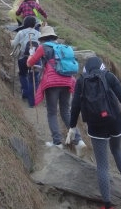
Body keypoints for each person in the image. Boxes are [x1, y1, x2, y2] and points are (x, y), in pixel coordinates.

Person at [68, 56, 121, 209]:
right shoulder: (109, 76)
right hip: (115, 121)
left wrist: (72, 127)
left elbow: (76, 105)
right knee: (117, 150)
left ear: (86, 69)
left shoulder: (81, 81)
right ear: (101, 66)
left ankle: (108, 205)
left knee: (102, 165)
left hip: (96, 125)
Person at [27, 26, 86, 154]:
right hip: (67, 81)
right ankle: (79, 140)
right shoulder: (62, 48)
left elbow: (29, 63)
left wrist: (31, 54)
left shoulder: (43, 47)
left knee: (52, 112)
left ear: (42, 38)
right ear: (53, 37)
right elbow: (51, 65)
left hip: (52, 83)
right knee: (66, 112)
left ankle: (57, 142)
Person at [10, 16, 41, 107]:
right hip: (35, 58)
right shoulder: (38, 33)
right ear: (34, 24)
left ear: (25, 23)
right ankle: (34, 99)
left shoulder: (21, 32)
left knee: (23, 74)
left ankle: (25, 92)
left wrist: (11, 42)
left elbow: (15, 44)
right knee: (34, 78)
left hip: (23, 57)